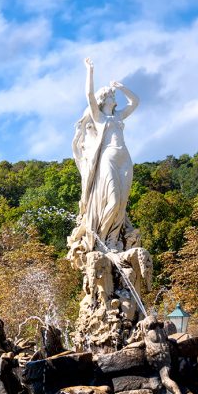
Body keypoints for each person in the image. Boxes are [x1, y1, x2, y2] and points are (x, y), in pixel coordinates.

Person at [66, 57, 140, 271]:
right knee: (113, 199)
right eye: (110, 94)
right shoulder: (99, 117)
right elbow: (89, 95)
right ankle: (103, 240)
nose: (113, 96)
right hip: (107, 157)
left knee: (122, 203)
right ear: (104, 99)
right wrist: (90, 71)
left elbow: (135, 102)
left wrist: (122, 87)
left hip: (124, 158)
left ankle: (114, 240)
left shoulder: (118, 117)